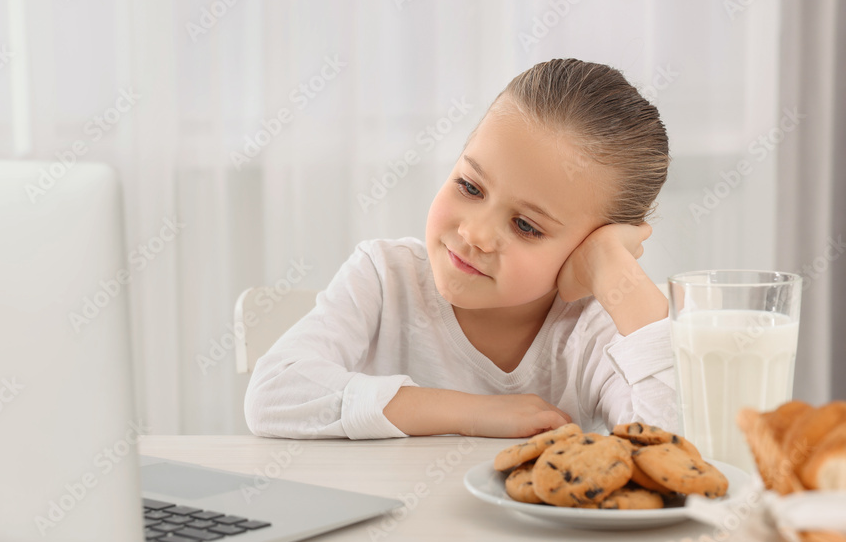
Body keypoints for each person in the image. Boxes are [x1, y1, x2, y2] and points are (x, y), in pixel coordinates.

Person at [245, 58, 675, 440]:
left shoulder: (594, 331)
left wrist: (615, 272)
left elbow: (677, 455)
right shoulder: (384, 277)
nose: (475, 234)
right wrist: (476, 413)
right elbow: (273, 393)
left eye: (526, 226)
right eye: (470, 186)